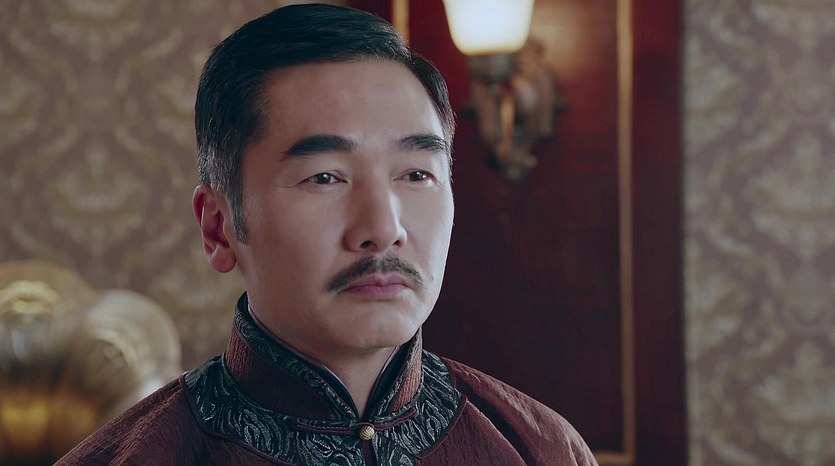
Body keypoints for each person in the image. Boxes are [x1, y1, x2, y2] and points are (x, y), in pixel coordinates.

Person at [56, 4, 598, 465]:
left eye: (416, 174)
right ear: (218, 227)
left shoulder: (540, 448)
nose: (383, 230)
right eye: (324, 178)